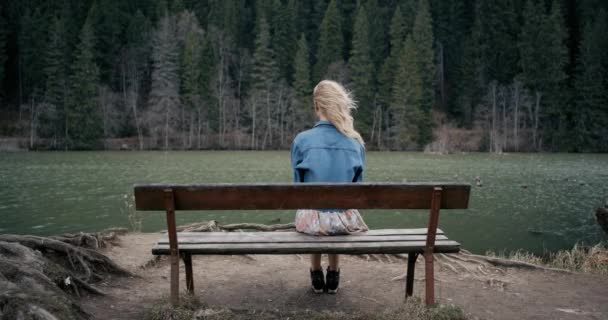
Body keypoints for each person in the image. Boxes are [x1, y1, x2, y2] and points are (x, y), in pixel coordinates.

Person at [290, 80, 368, 294]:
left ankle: (316, 273)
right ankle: (334, 273)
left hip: (311, 224)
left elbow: (297, 190)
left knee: (312, 209)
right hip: (344, 223)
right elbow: (357, 189)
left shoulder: (302, 141)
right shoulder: (355, 143)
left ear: (317, 106)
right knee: (339, 209)